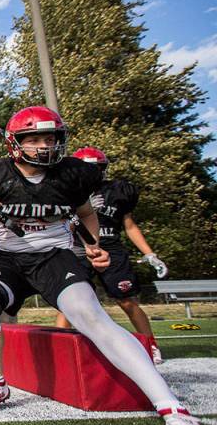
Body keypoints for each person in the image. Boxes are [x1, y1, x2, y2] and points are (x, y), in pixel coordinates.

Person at [0, 106, 208, 425]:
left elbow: (86, 213)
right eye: (33, 139)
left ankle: (174, 411)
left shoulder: (72, 176)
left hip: (55, 258)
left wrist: (92, 244)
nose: (43, 146)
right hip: (9, 258)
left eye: (49, 138)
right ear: (15, 143)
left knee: (92, 317)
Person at [55, 147, 168, 364]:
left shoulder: (117, 192)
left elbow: (130, 226)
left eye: (97, 169)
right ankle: (60, 351)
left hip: (111, 249)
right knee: (70, 303)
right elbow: (60, 226)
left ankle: (150, 345)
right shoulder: (66, 192)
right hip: (78, 249)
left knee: (127, 301)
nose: (92, 174)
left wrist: (150, 254)